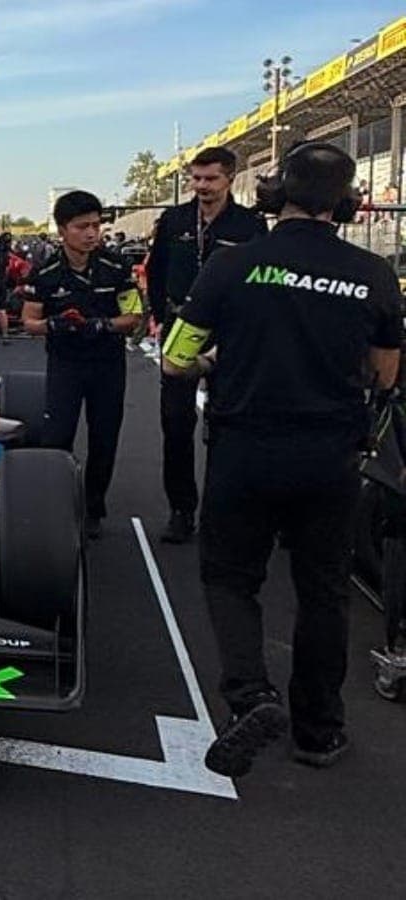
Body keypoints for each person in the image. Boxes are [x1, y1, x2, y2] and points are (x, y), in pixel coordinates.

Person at [162, 143, 402, 776]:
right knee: (324, 592)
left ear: (273, 196)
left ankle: (250, 696)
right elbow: (384, 373)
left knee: (230, 576)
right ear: (346, 204)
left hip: (245, 450)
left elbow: (175, 358)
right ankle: (319, 732)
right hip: (331, 456)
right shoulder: (373, 272)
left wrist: (220, 360)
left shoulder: (231, 265)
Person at [147, 146, 270, 544]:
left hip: (231, 329)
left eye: (210, 178)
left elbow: (260, 278)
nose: (202, 186)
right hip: (182, 323)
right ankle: (182, 509)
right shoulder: (173, 219)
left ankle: (225, 510)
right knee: (176, 421)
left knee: (229, 422)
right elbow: (157, 269)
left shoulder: (249, 224)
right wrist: (159, 315)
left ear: (230, 178)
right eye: (196, 179)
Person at [21, 191, 143, 539]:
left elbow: (133, 316)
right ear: (62, 230)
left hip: (107, 363)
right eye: (82, 227)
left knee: (104, 438)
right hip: (65, 364)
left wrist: (102, 325)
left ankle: (94, 506)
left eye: (96, 225)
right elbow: (28, 320)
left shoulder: (117, 266)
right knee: (57, 437)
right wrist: (53, 325)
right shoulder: (44, 271)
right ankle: (56, 504)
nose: (92, 233)